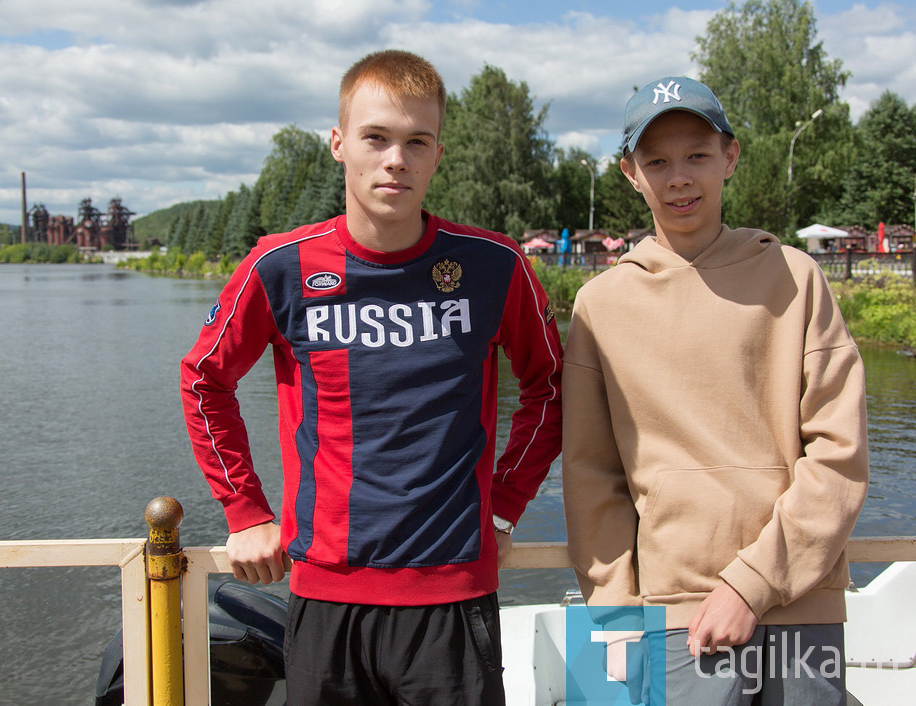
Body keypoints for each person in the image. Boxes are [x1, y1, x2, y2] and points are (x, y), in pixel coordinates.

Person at [181, 49, 563, 705]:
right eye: (376, 137)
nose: (396, 159)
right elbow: (203, 380)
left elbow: (550, 387)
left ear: (438, 154)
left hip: (453, 596)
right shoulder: (281, 266)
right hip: (328, 594)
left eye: (417, 141)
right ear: (340, 144)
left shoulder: (493, 266)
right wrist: (244, 510)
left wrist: (503, 505)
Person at [562, 76, 869, 705]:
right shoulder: (600, 306)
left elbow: (839, 453)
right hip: (676, 615)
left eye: (697, 155)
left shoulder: (796, 277)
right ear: (630, 172)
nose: (679, 177)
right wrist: (615, 610)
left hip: (801, 602)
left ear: (730, 157)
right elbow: (592, 475)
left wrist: (753, 582)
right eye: (658, 161)